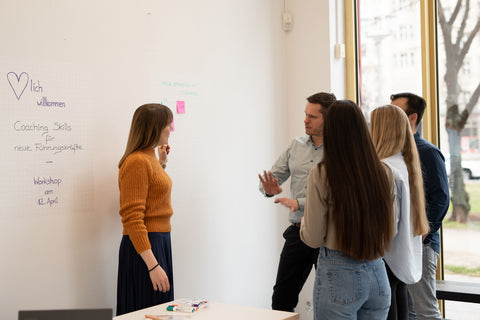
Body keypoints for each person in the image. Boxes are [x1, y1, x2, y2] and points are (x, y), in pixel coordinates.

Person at [300, 99, 395, 320]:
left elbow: (313, 238)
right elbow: (391, 231)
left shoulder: (322, 173)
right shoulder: (384, 172)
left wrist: (304, 223)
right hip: (378, 274)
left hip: (338, 274)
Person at [258, 92, 336, 312]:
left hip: (328, 235)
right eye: (305, 114)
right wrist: (268, 189)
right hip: (297, 232)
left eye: (312, 116)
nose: (305, 120)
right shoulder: (296, 145)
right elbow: (273, 177)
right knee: (281, 300)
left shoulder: (341, 150)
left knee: (329, 303)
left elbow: (334, 195)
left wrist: (299, 202)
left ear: (328, 119)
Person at [390, 93, 450, 320]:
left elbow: (441, 199)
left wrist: (424, 232)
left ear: (412, 117)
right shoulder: (392, 153)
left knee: (425, 310)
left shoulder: (428, 153)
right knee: (408, 310)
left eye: (395, 112)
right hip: (399, 244)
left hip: (422, 245)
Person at [370, 104, 430, 320]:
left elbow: (387, 224)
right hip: (403, 260)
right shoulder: (406, 165)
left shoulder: (385, 168)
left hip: (386, 259)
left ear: (380, 130)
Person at [116, 103, 174, 316]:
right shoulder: (137, 162)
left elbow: (153, 194)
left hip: (157, 243)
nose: (171, 129)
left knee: (158, 311)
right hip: (145, 248)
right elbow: (132, 218)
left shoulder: (148, 158)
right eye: (168, 124)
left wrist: (162, 164)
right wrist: (152, 266)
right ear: (154, 127)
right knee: (148, 311)